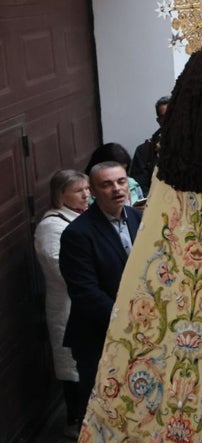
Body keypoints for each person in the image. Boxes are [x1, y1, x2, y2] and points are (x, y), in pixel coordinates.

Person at [58, 162, 143, 406]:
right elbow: (85, 292)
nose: (117, 189)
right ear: (93, 191)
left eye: (121, 181)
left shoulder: (140, 220)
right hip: (98, 335)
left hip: (140, 330)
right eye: (106, 184)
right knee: (101, 406)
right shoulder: (78, 233)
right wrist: (125, 319)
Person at [34, 169, 91, 435]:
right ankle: (75, 421)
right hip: (68, 303)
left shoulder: (79, 217)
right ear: (61, 195)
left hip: (84, 301)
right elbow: (61, 266)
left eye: (87, 188)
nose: (86, 194)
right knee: (72, 365)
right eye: (79, 190)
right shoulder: (52, 225)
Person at [130, 96, 170, 190]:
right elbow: (141, 188)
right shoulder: (144, 151)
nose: (171, 119)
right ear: (159, 121)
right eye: (166, 116)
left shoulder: (197, 147)